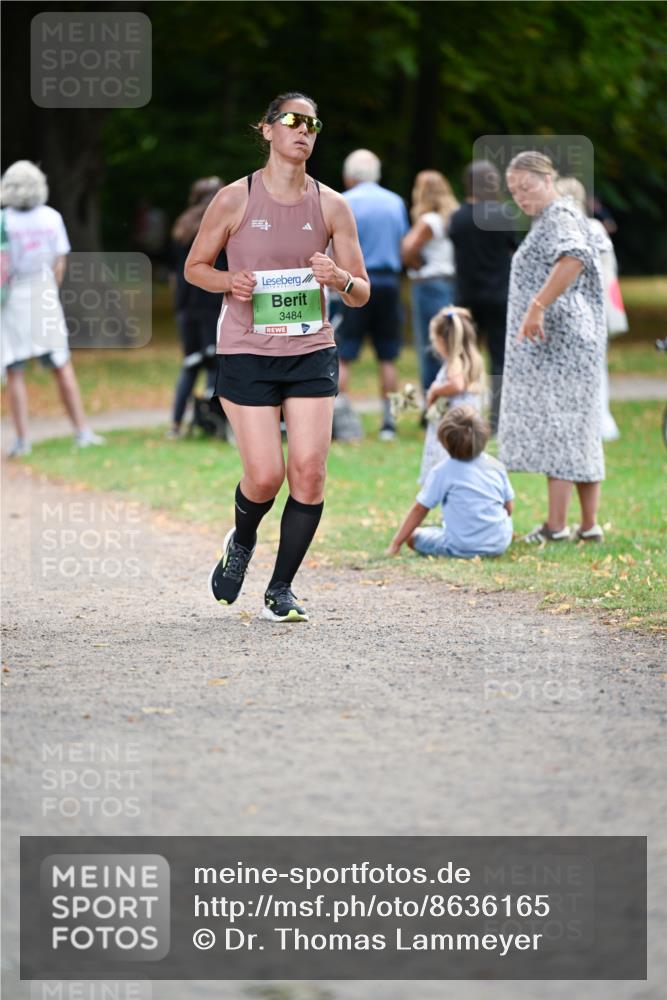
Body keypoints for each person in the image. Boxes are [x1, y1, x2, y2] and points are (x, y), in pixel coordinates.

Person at [184, 92, 370, 622]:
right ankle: (241, 541)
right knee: (265, 476)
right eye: (291, 120)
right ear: (266, 130)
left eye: (312, 122)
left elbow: (362, 292)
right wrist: (230, 281)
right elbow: (195, 267)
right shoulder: (234, 198)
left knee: (308, 472)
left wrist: (341, 278)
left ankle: (281, 589)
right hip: (247, 351)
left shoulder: (333, 204)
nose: (303, 129)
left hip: (311, 351)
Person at [498, 151, 606, 544]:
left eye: (527, 188)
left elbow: (573, 257)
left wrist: (537, 306)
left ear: (548, 179)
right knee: (579, 427)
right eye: (514, 192)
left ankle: (557, 527)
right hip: (571, 341)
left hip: (563, 343)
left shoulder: (559, 216)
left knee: (561, 426)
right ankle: (588, 525)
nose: (521, 197)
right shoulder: (556, 215)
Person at [0, 160, 104, 457]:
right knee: (61, 364)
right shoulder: (51, 217)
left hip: (12, 300)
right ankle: (81, 430)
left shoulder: (4, 221)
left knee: (14, 368)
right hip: (44, 293)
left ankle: (22, 439)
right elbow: (60, 263)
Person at [335, 149, 409, 441]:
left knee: (344, 354)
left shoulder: (344, 202)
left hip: (354, 283)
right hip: (388, 283)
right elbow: (402, 243)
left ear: (350, 174)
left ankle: (339, 419)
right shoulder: (395, 202)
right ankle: (390, 423)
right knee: (388, 356)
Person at [387, 405, 514, 559]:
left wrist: (396, 543)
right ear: (484, 436)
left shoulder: (443, 471)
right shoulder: (495, 465)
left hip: (461, 546)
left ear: (444, 441)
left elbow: (420, 509)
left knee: (414, 536)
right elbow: (509, 508)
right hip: (499, 543)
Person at [448, 160, 516, 434]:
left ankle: (466, 414)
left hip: (467, 296)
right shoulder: (503, 215)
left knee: (465, 357)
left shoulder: (458, 218)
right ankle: (498, 420)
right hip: (500, 295)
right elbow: (513, 249)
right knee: (498, 358)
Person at [556, 175, 627, 442]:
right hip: (599, 305)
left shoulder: (568, 231)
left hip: (578, 305)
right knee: (596, 365)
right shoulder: (596, 227)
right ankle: (598, 419)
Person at [166, 176, 224, 439]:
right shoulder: (220, 224)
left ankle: (176, 424)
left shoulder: (181, 226)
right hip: (212, 304)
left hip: (186, 307)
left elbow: (173, 273)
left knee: (190, 365)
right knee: (216, 363)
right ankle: (212, 421)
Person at [401, 170, 458, 398]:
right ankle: (448, 394)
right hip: (449, 283)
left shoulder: (428, 221)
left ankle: (431, 400)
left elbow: (407, 249)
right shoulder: (451, 218)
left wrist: (415, 263)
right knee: (447, 342)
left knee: (429, 344)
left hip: (428, 285)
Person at [419, 306, 484, 484]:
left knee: (446, 474)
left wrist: (435, 390)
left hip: (451, 430)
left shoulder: (454, 361)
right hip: (467, 429)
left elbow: (458, 384)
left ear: (441, 340)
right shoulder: (472, 360)